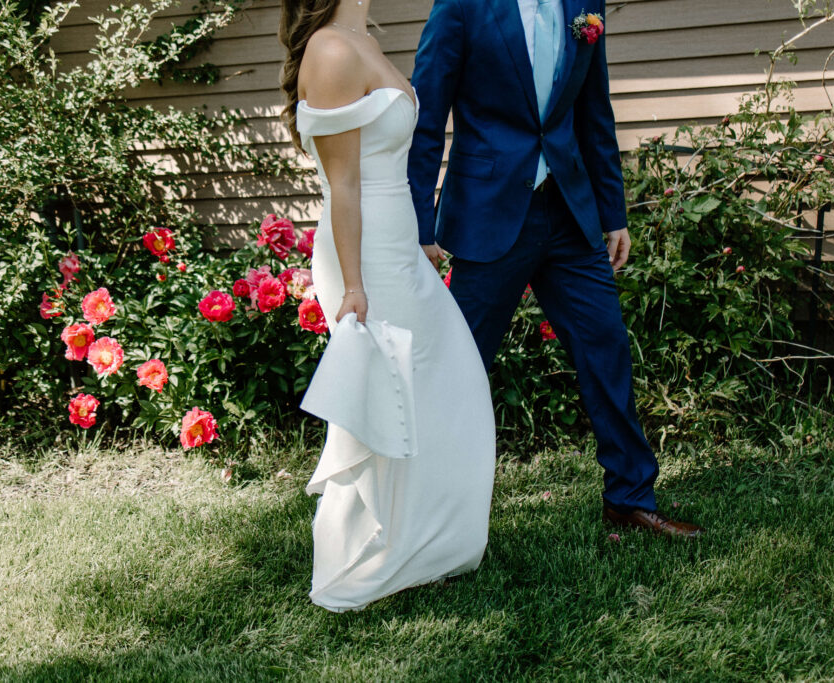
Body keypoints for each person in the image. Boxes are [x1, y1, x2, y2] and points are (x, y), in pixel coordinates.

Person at [407, 0, 704, 538]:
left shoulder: (584, 4)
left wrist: (613, 213)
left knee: (606, 349)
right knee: (457, 366)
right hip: (488, 213)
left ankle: (630, 499)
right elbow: (427, 116)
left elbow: (595, 109)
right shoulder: (461, 6)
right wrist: (419, 224)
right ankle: (427, 512)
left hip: (570, 212)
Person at [278, 0, 496, 612]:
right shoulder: (332, 49)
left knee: (444, 386)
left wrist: (415, 244)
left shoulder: (361, 38)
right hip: (365, 261)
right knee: (386, 398)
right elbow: (343, 185)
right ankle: (366, 555)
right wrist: (353, 286)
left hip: (398, 250)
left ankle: (427, 542)